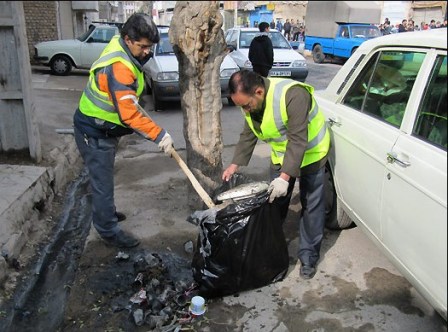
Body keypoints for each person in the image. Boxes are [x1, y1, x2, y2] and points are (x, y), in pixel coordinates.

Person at [73, 13, 175, 248]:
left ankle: (105, 212)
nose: (148, 51)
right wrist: (159, 135)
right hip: (94, 133)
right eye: (144, 46)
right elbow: (128, 113)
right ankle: (108, 230)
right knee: (102, 183)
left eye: (150, 47)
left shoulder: (121, 48)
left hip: (101, 128)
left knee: (104, 181)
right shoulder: (120, 67)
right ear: (128, 39)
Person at [222, 70, 330, 279]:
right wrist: (234, 164)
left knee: (311, 206)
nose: (244, 110)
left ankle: (308, 257)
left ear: (259, 92)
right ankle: (271, 248)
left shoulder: (294, 95)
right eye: (241, 106)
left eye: (246, 105)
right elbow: (248, 133)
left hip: (312, 152)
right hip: (282, 155)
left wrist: (285, 178)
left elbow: (298, 139)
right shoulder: (252, 103)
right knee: (273, 204)